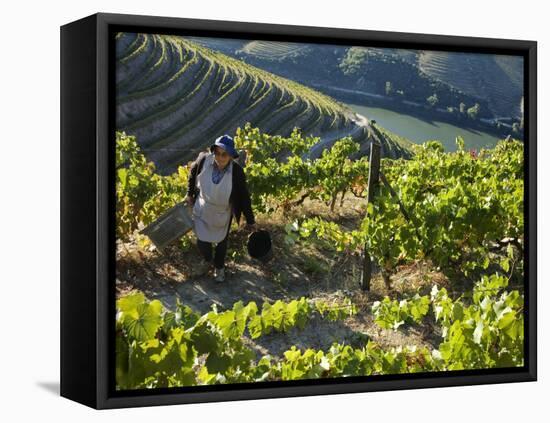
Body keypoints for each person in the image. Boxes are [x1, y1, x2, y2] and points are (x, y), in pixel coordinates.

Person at [184, 134, 256, 282]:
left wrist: (250, 220)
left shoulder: (236, 172)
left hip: (222, 212)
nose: (220, 157)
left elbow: (244, 196)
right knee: (201, 240)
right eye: (217, 153)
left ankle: (219, 268)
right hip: (203, 207)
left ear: (230, 155)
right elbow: (192, 172)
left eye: (224, 154)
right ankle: (208, 259)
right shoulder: (204, 160)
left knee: (222, 242)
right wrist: (189, 194)